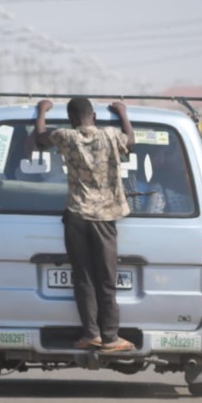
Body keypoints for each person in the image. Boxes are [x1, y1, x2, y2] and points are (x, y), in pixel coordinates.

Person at [34, 97, 135, 353]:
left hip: (77, 215)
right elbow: (130, 140)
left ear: (70, 119)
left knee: (84, 276)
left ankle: (91, 333)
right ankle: (111, 337)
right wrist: (123, 113)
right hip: (104, 217)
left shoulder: (65, 136)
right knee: (107, 278)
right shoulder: (111, 135)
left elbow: (40, 136)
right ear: (94, 116)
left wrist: (42, 111)